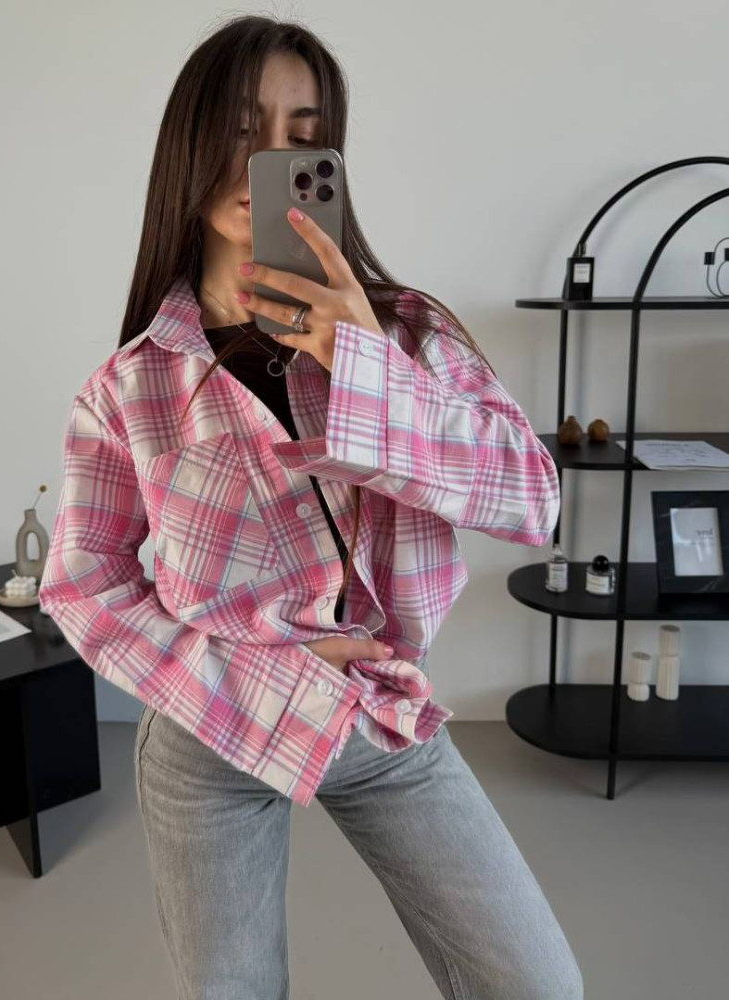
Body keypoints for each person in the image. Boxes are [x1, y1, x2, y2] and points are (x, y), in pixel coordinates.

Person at [39, 13, 584, 1000]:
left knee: (538, 985)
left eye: (304, 135)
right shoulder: (129, 388)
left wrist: (362, 362)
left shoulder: (408, 334)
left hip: (382, 712)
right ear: (189, 145)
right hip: (211, 728)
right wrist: (254, 666)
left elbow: (531, 498)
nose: (271, 162)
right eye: (244, 130)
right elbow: (83, 583)